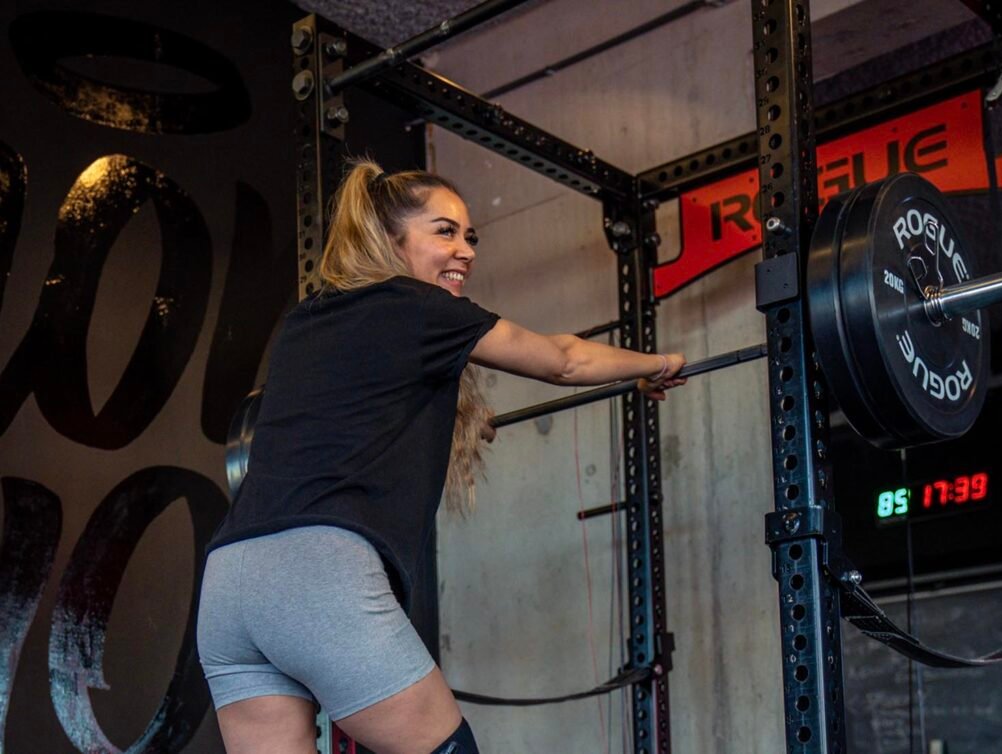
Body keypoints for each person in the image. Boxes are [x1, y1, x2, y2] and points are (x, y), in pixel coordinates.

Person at [196, 160, 687, 754]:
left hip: (228, 585)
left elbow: (358, 409)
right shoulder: (419, 307)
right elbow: (564, 360)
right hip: (316, 575)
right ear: (392, 240)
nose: (465, 250)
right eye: (444, 231)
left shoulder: (306, 320)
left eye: (470, 236)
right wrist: (654, 366)